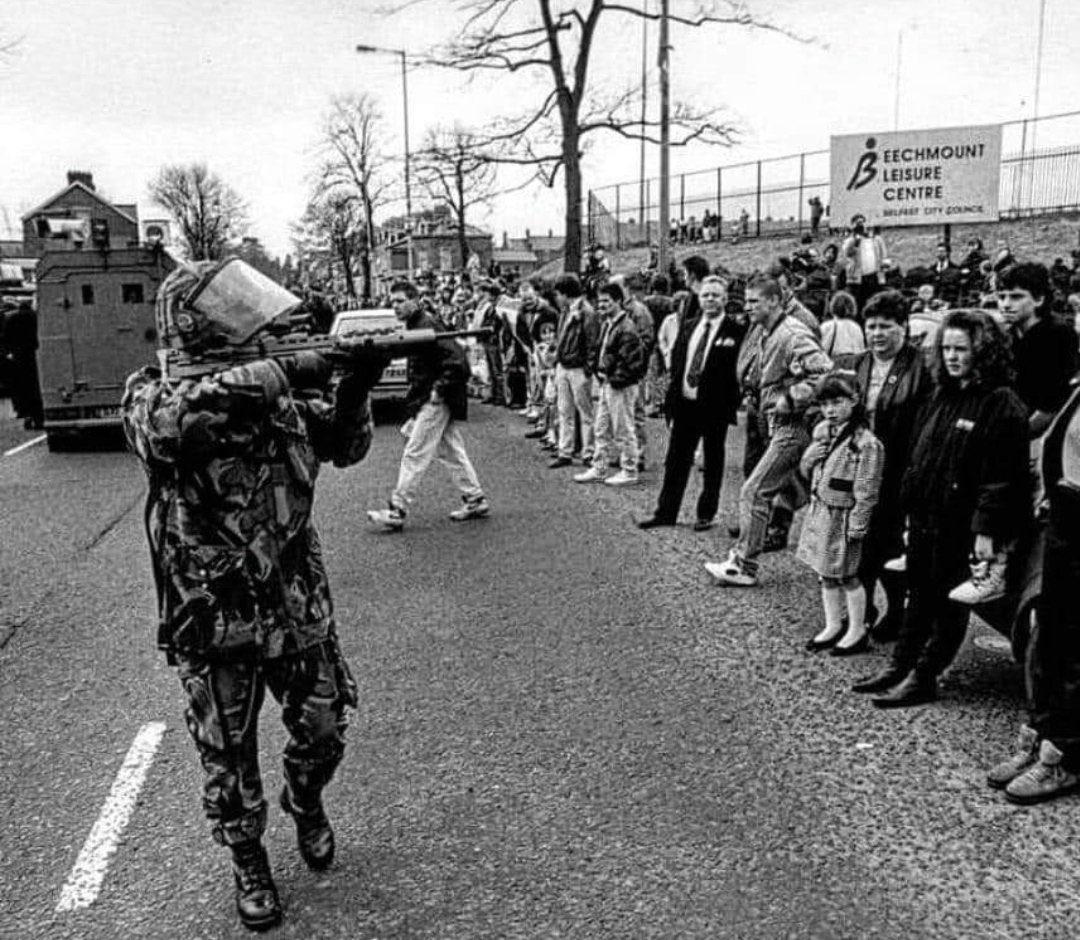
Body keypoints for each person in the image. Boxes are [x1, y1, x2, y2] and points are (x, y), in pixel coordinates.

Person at [122, 260, 385, 931]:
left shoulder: (280, 400)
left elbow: (346, 445)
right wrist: (284, 372)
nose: (261, 326)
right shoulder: (151, 396)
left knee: (325, 731)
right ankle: (249, 861)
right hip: (213, 618)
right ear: (194, 327)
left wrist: (355, 385)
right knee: (228, 758)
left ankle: (307, 800)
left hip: (295, 605)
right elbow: (171, 429)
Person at [854, 310, 1030, 707]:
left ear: (982, 351)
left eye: (961, 349)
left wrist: (986, 529)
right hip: (926, 515)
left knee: (947, 601)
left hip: (961, 522)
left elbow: (1003, 476)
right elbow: (921, 457)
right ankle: (901, 664)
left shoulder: (1000, 402)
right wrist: (908, 509)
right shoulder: (940, 394)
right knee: (919, 593)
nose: (952, 357)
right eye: (946, 348)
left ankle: (925, 675)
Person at [706, 275, 833, 587]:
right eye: (747, 301)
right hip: (777, 423)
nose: (748, 308)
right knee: (773, 490)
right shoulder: (766, 331)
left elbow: (825, 373)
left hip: (793, 425)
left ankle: (744, 564)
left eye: (754, 302)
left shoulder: (792, 334)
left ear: (775, 300)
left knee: (755, 490)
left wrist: (790, 399)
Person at [987, 382, 1080, 803]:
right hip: (1065, 519)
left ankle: (1064, 758)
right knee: (1051, 635)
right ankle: (1040, 736)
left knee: (1075, 648)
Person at [367, 280, 489, 529]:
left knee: (415, 452)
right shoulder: (418, 325)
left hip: (434, 400)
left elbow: (458, 362)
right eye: (393, 303)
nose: (395, 307)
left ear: (415, 300)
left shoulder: (426, 325)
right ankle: (475, 498)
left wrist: (438, 390)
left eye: (400, 301)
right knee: (450, 451)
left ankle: (397, 509)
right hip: (432, 397)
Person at [850, 290, 933, 642]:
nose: (877, 333)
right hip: (862, 468)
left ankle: (898, 611)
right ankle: (862, 610)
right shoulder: (861, 363)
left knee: (891, 545)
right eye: (871, 326)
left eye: (886, 326)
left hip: (901, 469)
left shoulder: (922, 367)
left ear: (904, 327)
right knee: (858, 540)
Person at [638, 275, 746, 530]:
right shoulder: (688, 327)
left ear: (725, 299)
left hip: (714, 408)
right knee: (676, 460)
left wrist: (730, 403)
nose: (710, 300)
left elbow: (738, 372)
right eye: (706, 295)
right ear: (699, 298)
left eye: (716, 295)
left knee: (712, 461)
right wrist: (671, 402)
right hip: (686, 404)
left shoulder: (735, 331)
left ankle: (706, 513)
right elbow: (677, 363)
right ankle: (666, 512)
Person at [796, 374, 885, 655]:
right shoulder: (825, 434)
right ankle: (833, 624)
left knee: (847, 574)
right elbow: (810, 471)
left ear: (854, 401)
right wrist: (809, 459)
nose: (830, 410)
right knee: (826, 573)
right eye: (825, 404)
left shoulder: (866, 443)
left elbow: (867, 489)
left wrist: (858, 525)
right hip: (823, 511)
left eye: (837, 402)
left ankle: (857, 628)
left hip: (844, 516)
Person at [574, 282, 647, 486]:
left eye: (607, 301)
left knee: (623, 429)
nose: (602, 305)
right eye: (600, 301)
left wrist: (614, 379)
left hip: (619, 385)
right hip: (609, 382)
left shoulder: (626, 328)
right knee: (601, 428)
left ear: (618, 301)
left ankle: (629, 470)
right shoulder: (609, 324)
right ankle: (599, 467)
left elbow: (631, 361)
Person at [997, 262, 1079, 438]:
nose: (1006, 304)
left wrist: (1014, 440)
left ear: (1039, 299)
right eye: (1002, 297)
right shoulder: (1009, 335)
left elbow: (1051, 405)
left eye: (1016, 297)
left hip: (1044, 437)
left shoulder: (1056, 335)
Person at [549, 273, 600, 469]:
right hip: (565, 365)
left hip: (577, 367)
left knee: (584, 411)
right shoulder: (567, 311)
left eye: (558, 294)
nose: (557, 298)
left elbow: (592, 342)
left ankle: (587, 452)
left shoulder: (586, 312)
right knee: (565, 410)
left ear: (565, 293)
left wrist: (588, 368)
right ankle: (566, 450)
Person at [842, 214, 887, 312]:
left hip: (874, 276)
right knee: (859, 304)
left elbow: (883, 255)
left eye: (862, 222)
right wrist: (856, 240)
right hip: (857, 278)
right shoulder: (850, 240)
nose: (861, 225)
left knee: (874, 303)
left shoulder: (876, 239)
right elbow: (847, 253)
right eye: (858, 223)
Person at [820, 292, 865, 361]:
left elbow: (822, 350)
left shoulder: (827, 326)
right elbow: (860, 350)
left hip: (834, 363)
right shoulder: (856, 327)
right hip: (853, 364)